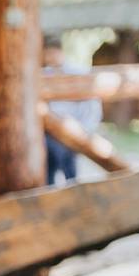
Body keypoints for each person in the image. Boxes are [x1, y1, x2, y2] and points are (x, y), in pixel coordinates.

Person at [43, 37, 102, 184]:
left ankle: (71, 186)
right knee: (51, 159)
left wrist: (85, 129)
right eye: (46, 54)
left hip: (76, 128)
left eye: (51, 53)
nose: (48, 57)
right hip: (51, 131)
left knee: (67, 162)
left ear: (59, 52)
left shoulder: (78, 73)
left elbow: (92, 105)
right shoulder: (44, 74)